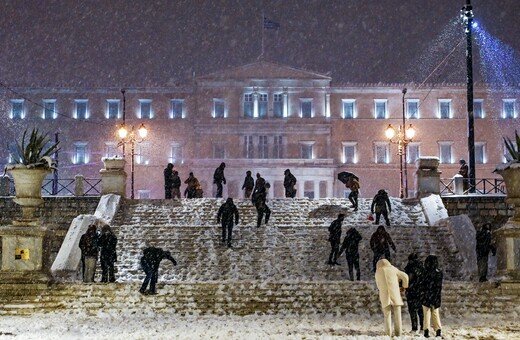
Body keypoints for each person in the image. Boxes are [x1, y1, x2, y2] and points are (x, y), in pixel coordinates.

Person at [374, 258, 409, 337]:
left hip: (384, 295)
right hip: (395, 294)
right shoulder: (393, 270)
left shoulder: (378, 273)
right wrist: (404, 286)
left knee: (387, 315)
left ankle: (388, 333)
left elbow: (378, 285)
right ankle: (398, 333)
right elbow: (405, 276)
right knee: (397, 315)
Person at [421, 255, 443, 338]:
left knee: (426, 313)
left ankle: (426, 330)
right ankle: (438, 330)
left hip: (426, 295)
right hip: (436, 295)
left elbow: (423, 285)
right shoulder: (439, 273)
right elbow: (438, 286)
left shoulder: (424, 272)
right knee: (435, 313)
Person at [404, 253, 424, 333]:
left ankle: (414, 327)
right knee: (421, 311)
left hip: (411, 292)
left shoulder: (409, 268)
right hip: (421, 292)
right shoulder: (422, 268)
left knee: (412, 311)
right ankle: (423, 327)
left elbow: (407, 280)